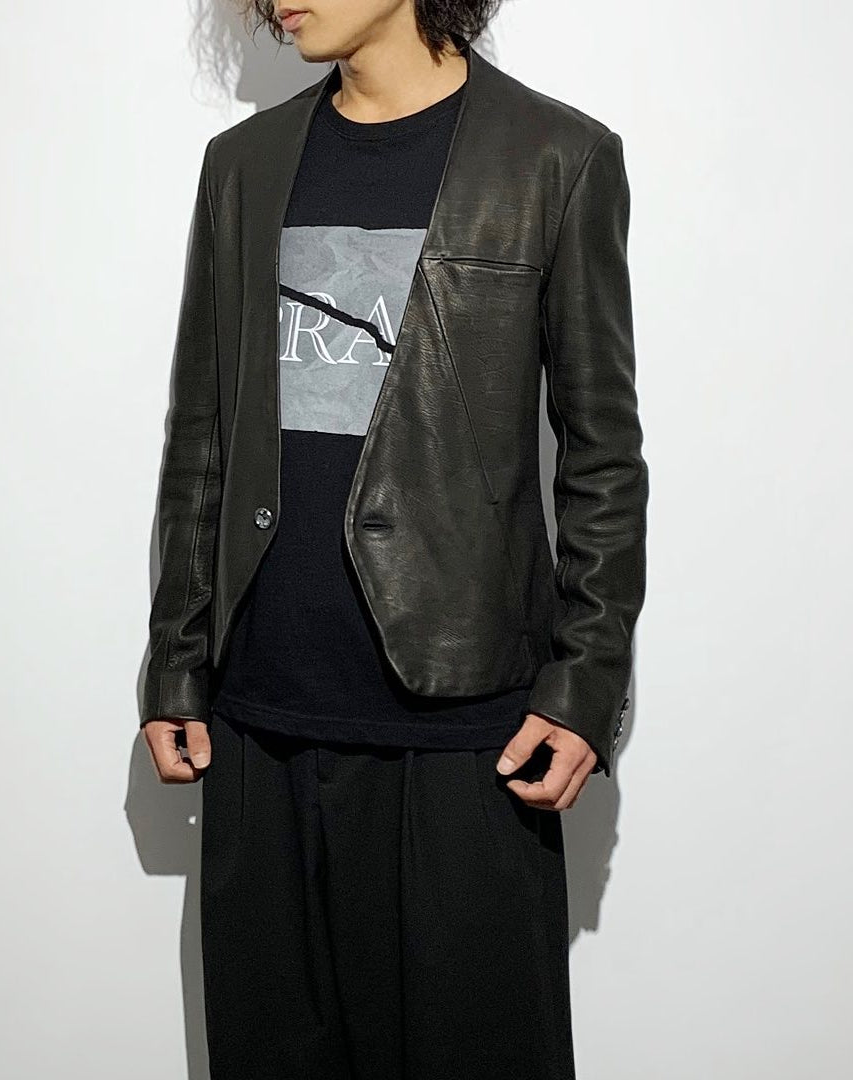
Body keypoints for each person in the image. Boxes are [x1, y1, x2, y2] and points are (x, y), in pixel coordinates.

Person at [140, 2, 649, 1077]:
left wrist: (586, 684)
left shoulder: (555, 158)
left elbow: (603, 455)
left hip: (465, 727)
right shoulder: (243, 164)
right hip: (259, 719)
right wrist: (177, 662)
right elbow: (201, 435)